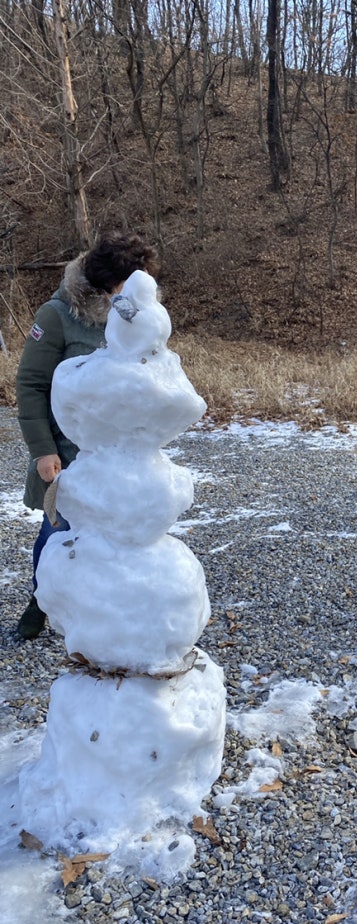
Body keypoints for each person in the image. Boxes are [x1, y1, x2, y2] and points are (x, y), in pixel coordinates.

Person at [15, 231, 161, 639]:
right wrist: (42, 450)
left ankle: (97, 607)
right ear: (107, 281)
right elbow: (30, 385)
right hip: (66, 453)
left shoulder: (135, 315)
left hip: (117, 452)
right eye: (126, 283)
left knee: (113, 535)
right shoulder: (58, 315)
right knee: (57, 532)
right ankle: (41, 599)